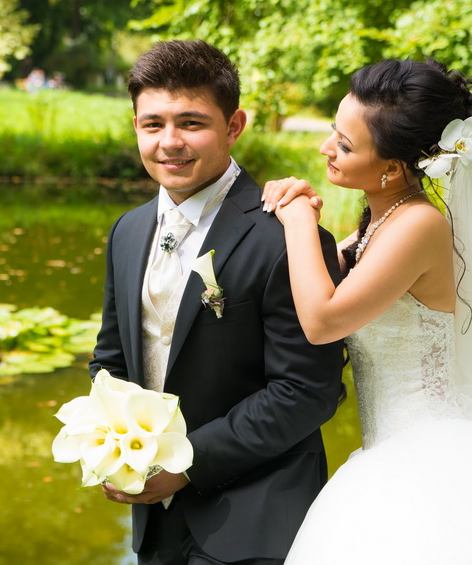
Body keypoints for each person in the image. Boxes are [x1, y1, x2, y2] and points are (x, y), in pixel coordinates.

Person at [261, 58, 472, 563]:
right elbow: (327, 282)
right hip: (388, 451)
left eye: (345, 145)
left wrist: (295, 222)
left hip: (425, 457)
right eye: (334, 132)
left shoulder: (419, 225)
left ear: (394, 167)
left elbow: (323, 320)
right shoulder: (382, 224)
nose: (325, 149)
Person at [89, 39, 346, 564]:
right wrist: (111, 447)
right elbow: (111, 361)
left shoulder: (287, 236)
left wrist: (183, 466)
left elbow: (307, 391)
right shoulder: (128, 230)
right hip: (155, 524)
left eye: (191, 123)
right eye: (152, 124)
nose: (169, 142)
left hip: (257, 518)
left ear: (234, 126)